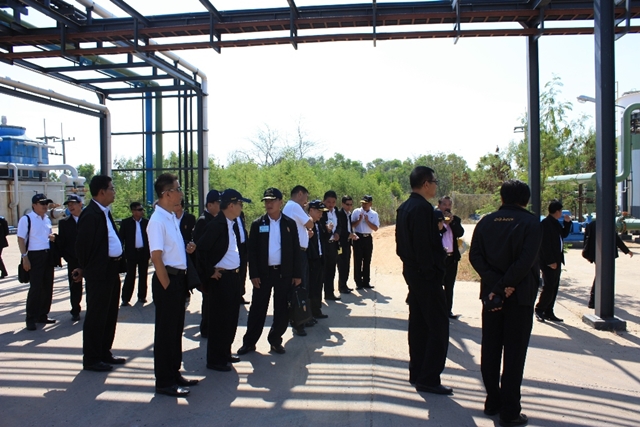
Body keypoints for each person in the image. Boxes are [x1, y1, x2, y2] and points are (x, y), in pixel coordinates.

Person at [469, 179, 542, 426]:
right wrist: (505, 285)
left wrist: (495, 285)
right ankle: (510, 411)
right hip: (519, 297)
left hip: (492, 298)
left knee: (490, 349)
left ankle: (492, 401)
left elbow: (475, 256)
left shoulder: (486, 222)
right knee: (514, 354)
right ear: (526, 200)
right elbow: (526, 261)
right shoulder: (532, 223)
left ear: (501, 198)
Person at [395, 167, 451, 395]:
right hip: (425, 276)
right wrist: (432, 273)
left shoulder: (405, 207)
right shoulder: (422, 209)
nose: (436, 186)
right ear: (426, 183)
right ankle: (428, 377)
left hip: (412, 272)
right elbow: (423, 246)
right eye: (434, 182)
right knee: (438, 326)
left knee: (418, 325)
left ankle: (417, 372)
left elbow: (401, 246)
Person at [147, 173, 198, 397]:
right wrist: (168, 286)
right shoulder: (157, 220)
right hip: (167, 280)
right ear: (167, 194)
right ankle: (164, 381)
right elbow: (156, 257)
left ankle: (174, 372)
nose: (180, 193)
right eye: (177, 189)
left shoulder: (170, 217)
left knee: (176, 330)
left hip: (178, 279)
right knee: (166, 333)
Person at [237, 188, 302, 356]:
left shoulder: (289, 224)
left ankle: (275, 340)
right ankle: (249, 342)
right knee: (257, 309)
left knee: (282, 309)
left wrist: (297, 274)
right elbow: (252, 252)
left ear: (281, 202)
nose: (269, 204)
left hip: (284, 273)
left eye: (272, 200)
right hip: (263, 275)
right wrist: (254, 274)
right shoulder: (258, 224)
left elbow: (296, 250)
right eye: (266, 201)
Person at [75, 176, 126, 371]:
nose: (114, 192)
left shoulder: (104, 212)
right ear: (102, 192)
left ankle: (105, 352)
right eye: (111, 188)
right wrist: (86, 267)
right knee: (97, 315)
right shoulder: (90, 215)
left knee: (110, 314)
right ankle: (92, 358)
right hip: (99, 272)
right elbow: (82, 246)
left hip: (111, 270)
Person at [196, 189, 251, 371]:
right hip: (221, 279)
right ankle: (215, 360)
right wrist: (209, 272)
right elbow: (200, 250)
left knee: (230, 318)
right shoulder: (216, 225)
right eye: (240, 204)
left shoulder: (231, 224)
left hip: (233, 277)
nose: (241, 208)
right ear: (231, 205)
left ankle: (225, 352)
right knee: (219, 321)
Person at [18, 193, 57, 331]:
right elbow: (21, 239)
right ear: (34, 205)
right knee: (36, 288)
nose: (45, 206)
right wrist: (25, 257)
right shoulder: (27, 219)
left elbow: (47, 235)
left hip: (47, 254)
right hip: (34, 255)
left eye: (46, 203)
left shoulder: (46, 219)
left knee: (47, 286)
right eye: (42, 203)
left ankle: (42, 314)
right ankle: (31, 318)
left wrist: (52, 238)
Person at [282, 185, 314, 337]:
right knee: (299, 288)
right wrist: (309, 214)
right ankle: (298, 321)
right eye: (305, 197)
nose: (306, 200)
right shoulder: (295, 206)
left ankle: (303, 317)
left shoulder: (290, 207)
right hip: (298, 254)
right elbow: (310, 223)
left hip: (298, 252)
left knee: (301, 287)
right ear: (300, 194)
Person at [534, 200, 572, 322]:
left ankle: (549, 311)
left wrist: (567, 223)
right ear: (556, 211)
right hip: (548, 262)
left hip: (557, 259)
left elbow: (563, 234)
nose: (561, 213)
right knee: (549, 286)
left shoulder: (555, 223)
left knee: (554, 286)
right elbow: (544, 245)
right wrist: (550, 261)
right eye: (560, 211)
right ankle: (539, 309)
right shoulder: (546, 224)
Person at [582, 220, 633, 309]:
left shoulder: (591, 224)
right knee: (602, 276)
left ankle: (594, 301)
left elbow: (586, 240)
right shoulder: (607, 223)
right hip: (606, 254)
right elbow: (616, 238)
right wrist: (626, 250)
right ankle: (596, 301)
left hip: (596, 254)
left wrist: (587, 254)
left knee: (599, 276)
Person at [193, 189, 221, 338]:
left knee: (215, 302)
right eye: (218, 203)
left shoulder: (216, 219)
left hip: (217, 268)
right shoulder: (203, 221)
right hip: (208, 269)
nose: (220, 205)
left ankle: (212, 328)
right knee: (208, 301)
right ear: (210, 205)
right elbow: (200, 250)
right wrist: (209, 271)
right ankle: (206, 330)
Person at [56, 195, 84, 321]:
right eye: (69, 205)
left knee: (92, 286)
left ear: (80, 204)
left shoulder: (89, 219)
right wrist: (69, 258)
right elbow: (63, 243)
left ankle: (92, 309)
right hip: (73, 260)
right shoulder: (64, 223)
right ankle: (75, 310)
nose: (71, 207)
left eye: (73, 204)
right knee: (75, 286)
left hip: (89, 259)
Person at [437, 196, 465, 319]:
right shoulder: (434, 219)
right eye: (444, 204)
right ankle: (437, 309)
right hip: (439, 257)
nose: (447, 207)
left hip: (452, 257)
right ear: (439, 205)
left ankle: (448, 310)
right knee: (438, 284)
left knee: (449, 284)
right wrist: (443, 224)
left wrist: (452, 222)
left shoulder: (455, 219)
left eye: (449, 205)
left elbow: (460, 233)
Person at [119, 202, 150, 306]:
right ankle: (125, 298)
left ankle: (142, 296)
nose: (142, 211)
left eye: (142, 209)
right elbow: (121, 239)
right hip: (131, 253)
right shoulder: (126, 223)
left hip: (143, 252)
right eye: (139, 209)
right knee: (130, 275)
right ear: (133, 211)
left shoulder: (146, 223)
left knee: (143, 275)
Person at [351, 195, 380, 289]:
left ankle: (366, 281)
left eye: (366, 203)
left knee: (367, 260)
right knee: (357, 260)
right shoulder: (356, 212)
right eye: (363, 203)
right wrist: (359, 220)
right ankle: (358, 282)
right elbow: (351, 225)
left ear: (370, 204)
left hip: (368, 238)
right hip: (358, 237)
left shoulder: (374, 214)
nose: (364, 205)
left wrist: (367, 221)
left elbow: (375, 228)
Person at [308, 200, 330, 320]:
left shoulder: (319, 224)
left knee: (318, 286)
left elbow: (324, 239)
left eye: (322, 212)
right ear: (311, 210)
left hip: (320, 258)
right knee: (311, 287)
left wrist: (328, 231)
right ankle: (309, 313)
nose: (321, 215)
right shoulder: (306, 225)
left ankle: (317, 310)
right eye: (319, 212)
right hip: (311, 260)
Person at [320, 190, 341, 301]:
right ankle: (317, 297)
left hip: (333, 245)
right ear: (324, 201)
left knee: (331, 270)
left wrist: (337, 233)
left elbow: (340, 225)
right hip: (324, 245)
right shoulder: (321, 212)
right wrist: (327, 230)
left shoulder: (336, 211)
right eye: (328, 202)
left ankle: (329, 293)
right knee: (321, 271)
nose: (331, 204)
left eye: (333, 202)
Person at [337, 195, 356, 294]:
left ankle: (344, 284)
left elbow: (349, 227)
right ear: (342, 204)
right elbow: (340, 229)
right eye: (347, 204)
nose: (349, 207)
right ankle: (341, 286)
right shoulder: (339, 214)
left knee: (347, 264)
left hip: (348, 242)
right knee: (342, 264)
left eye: (351, 205)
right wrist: (349, 234)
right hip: (341, 243)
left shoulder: (349, 214)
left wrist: (352, 234)